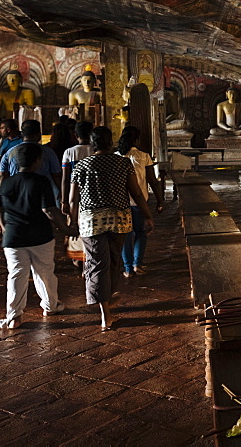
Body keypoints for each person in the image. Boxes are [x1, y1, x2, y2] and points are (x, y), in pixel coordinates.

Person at [70, 126, 154, 330]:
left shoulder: (81, 166)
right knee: (114, 262)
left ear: (92, 144)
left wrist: (72, 222)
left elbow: (73, 199)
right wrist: (148, 214)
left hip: (91, 222)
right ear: (110, 143)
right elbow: (135, 192)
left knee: (98, 263)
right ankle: (105, 309)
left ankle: (103, 304)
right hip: (119, 220)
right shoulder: (122, 163)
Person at [0, 143, 74, 330]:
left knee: (16, 275)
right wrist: (65, 228)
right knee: (45, 272)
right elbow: (49, 210)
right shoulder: (40, 182)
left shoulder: (6, 182)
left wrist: (4, 225)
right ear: (37, 160)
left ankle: (14, 316)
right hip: (40, 235)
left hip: (13, 237)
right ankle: (50, 306)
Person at [117, 126, 164, 277]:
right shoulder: (143, 156)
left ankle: (128, 268)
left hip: (120, 203)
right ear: (137, 139)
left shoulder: (115, 157)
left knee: (125, 234)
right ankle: (138, 264)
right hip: (140, 202)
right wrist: (160, 200)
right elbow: (152, 181)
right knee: (141, 233)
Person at [61, 120, 93, 270]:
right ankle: (89, 259)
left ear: (75, 135)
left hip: (75, 197)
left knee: (76, 227)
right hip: (93, 197)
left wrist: (64, 200)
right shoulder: (95, 150)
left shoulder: (69, 152)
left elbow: (65, 179)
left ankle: (78, 260)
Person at [0, 119, 62, 194]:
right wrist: (61, 195)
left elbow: (2, 176)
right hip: (42, 194)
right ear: (38, 134)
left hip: (17, 194)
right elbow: (56, 175)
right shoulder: (48, 152)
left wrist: (1, 195)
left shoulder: (10, 153)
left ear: (22, 134)